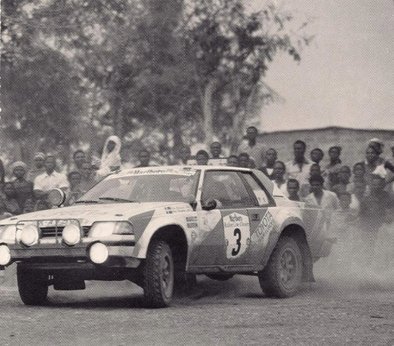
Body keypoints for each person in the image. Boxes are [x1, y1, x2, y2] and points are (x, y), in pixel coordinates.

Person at [359, 174, 394, 266]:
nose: (377, 187)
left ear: (383, 185)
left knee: (385, 253)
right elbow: (361, 216)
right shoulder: (365, 200)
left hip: (385, 231)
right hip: (369, 230)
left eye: (379, 184)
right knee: (369, 252)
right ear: (371, 185)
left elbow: (390, 214)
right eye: (374, 185)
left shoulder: (389, 198)